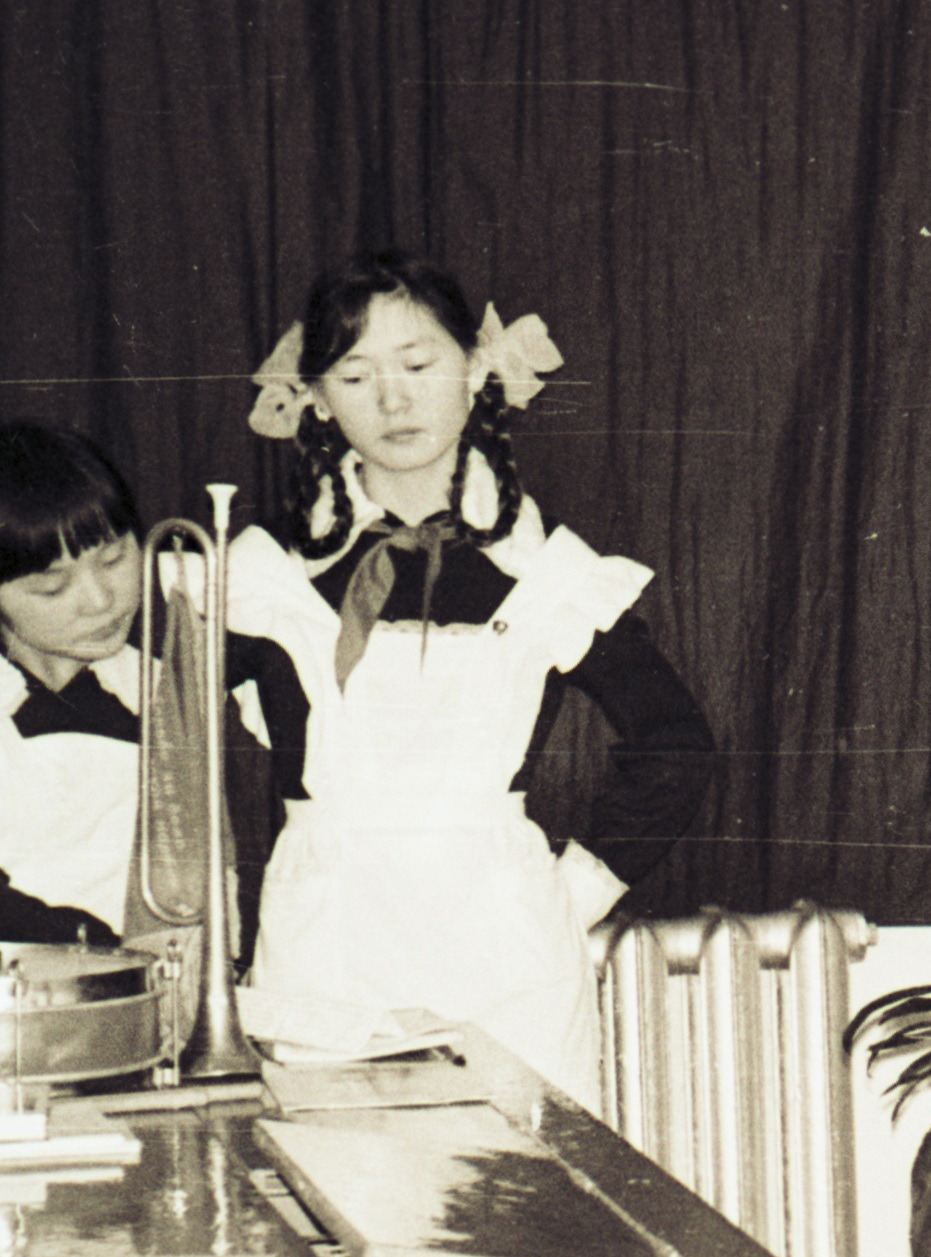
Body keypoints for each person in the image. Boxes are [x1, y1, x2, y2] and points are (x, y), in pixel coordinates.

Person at [226, 250, 713, 1102]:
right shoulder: (265, 568)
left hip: (506, 964)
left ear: (476, 369)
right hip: (326, 953)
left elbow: (675, 744)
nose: (393, 400)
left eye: (418, 366)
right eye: (356, 376)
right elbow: (167, 741)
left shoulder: (547, 568)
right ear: (317, 398)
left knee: (517, 1180)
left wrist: (567, 895)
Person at [0, 419, 301, 948]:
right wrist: (100, 950)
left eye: (114, 559)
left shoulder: (167, 686)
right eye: (51, 588)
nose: (100, 600)